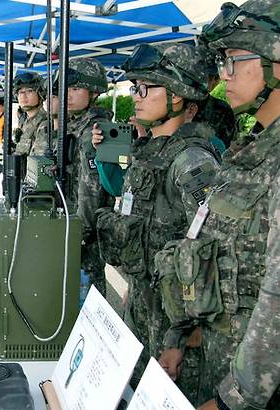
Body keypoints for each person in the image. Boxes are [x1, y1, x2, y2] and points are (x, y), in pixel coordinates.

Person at [155, 2, 280, 408]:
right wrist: (179, 336)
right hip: (216, 358)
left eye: (232, 61)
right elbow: (201, 244)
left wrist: (232, 400)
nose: (223, 76)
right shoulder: (249, 151)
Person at [93, 43, 220, 400]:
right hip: (144, 311)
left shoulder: (193, 162)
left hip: (176, 331)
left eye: (146, 88)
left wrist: (182, 336)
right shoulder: (150, 152)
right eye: (135, 88)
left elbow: (210, 256)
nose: (137, 96)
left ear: (178, 96)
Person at [53, 58, 114, 296]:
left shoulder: (96, 130)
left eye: (76, 89)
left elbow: (92, 190)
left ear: (94, 91)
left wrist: (79, 232)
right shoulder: (74, 125)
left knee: (87, 297)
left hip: (84, 231)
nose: (67, 95)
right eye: (65, 89)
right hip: (72, 222)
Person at [13, 72, 49, 156]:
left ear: (40, 95)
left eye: (29, 91)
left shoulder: (46, 124)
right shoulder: (24, 122)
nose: (23, 96)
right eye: (20, 92)